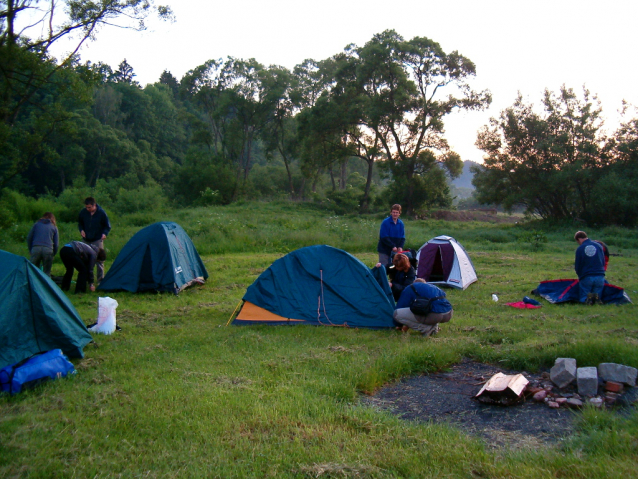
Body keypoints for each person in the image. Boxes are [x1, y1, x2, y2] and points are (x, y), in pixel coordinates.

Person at [78, 197, 111, 283]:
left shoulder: (101, 213)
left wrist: (104, 233)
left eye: (89, 207)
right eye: (86, 207)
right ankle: (86, 279)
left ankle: (100, 280)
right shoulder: (83, 212)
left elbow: (107, 226)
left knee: (99, 260)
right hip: (86, 239)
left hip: (97, 239)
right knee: (84, 258)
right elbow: (80, 223)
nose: (87, 209)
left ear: (94, 205)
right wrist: (81, 230)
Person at [574, 231, 606, 305]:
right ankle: (595, 304)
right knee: (596, 297)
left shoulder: (580, 249)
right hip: (600, 276)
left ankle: (586, 306)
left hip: (587, 276)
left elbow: (578, 265)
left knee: (584, 297)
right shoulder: (598, 246)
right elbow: (603, 261)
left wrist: (580, 275)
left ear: (578, 239)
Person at [26, 212, 59, 277]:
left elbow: (29, 238)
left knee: (32, 270)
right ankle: (46, 286)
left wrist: (31, 249)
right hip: (48, 249)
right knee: (47, 272)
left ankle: (31, 285)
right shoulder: (54, 227)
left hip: (36, 248)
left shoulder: (36, 224)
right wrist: (53, 253)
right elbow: (56, 244)